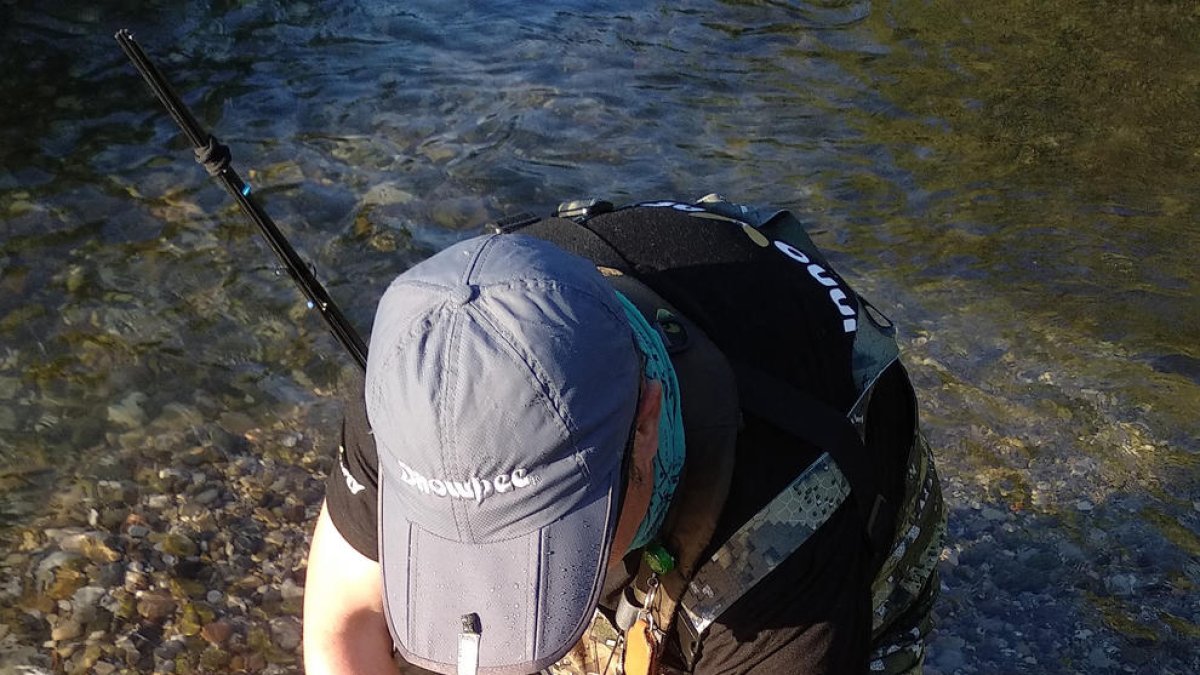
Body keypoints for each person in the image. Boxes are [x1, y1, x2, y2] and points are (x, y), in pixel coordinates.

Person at [303, 196, 946, 675]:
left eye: (555, 535)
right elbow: (348, 618)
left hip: (832, 469)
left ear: (646, 420)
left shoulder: (783, 547)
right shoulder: (427, 379)